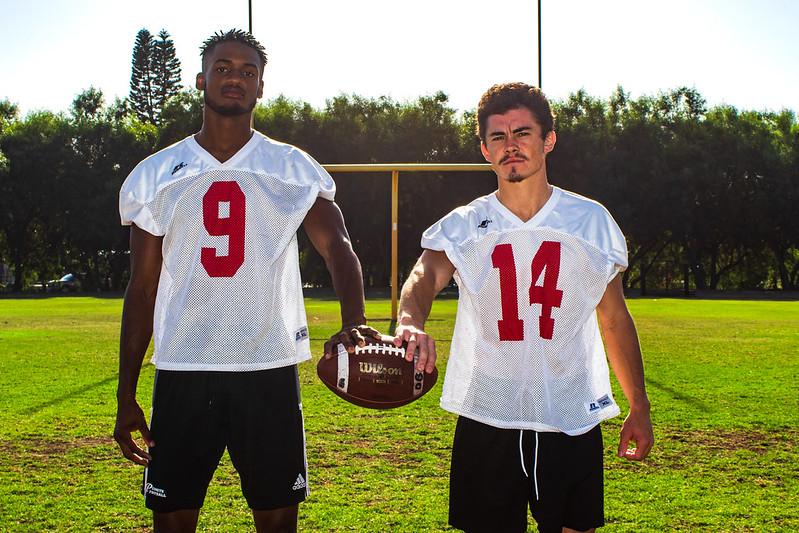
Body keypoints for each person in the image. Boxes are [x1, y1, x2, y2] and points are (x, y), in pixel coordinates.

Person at [113, 29, 379, 532]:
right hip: (184, 366)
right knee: (171, 518)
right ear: (201, 80)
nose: (235, 77)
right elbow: (142, 289)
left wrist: (355, 320)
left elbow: (338, 248)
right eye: (223, 68)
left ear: (261, 88)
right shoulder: (155, 174)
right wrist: (126, 395)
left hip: (268, 365)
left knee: (277, 518)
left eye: (247, 71)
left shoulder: (291, 167)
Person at [393, 82, 653, 533]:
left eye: (523, 133)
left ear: (548, 139)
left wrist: (639, 404)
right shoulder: (465, 223)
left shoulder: (589, 221)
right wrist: (409, 322)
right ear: (484, 148)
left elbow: (613, 318)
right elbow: (424, 277)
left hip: (569, 410)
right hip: (489, 409)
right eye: (498, 136)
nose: (510, 146)